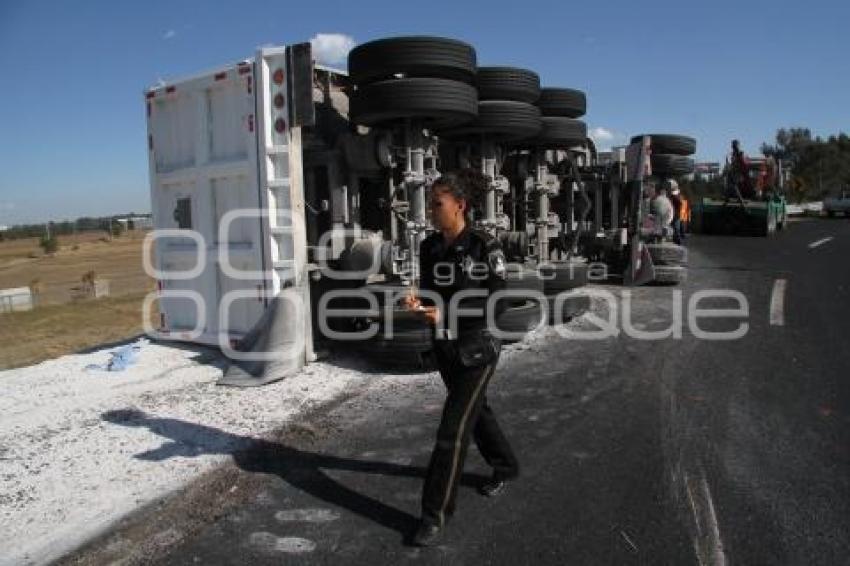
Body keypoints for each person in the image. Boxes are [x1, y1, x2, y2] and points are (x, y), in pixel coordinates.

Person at [403, 171, 519, 547]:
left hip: (478, 348)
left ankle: (433, 515)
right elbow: (431, 295)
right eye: (431, 204)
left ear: (460, 205)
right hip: (446, 347)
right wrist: (418, 304)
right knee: (476, 411)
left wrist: (448, 313)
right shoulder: (429, 247)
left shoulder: (485, 246)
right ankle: (506, 465)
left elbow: (498, 301)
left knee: (452, 431)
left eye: (438, 204)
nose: (431, 211)